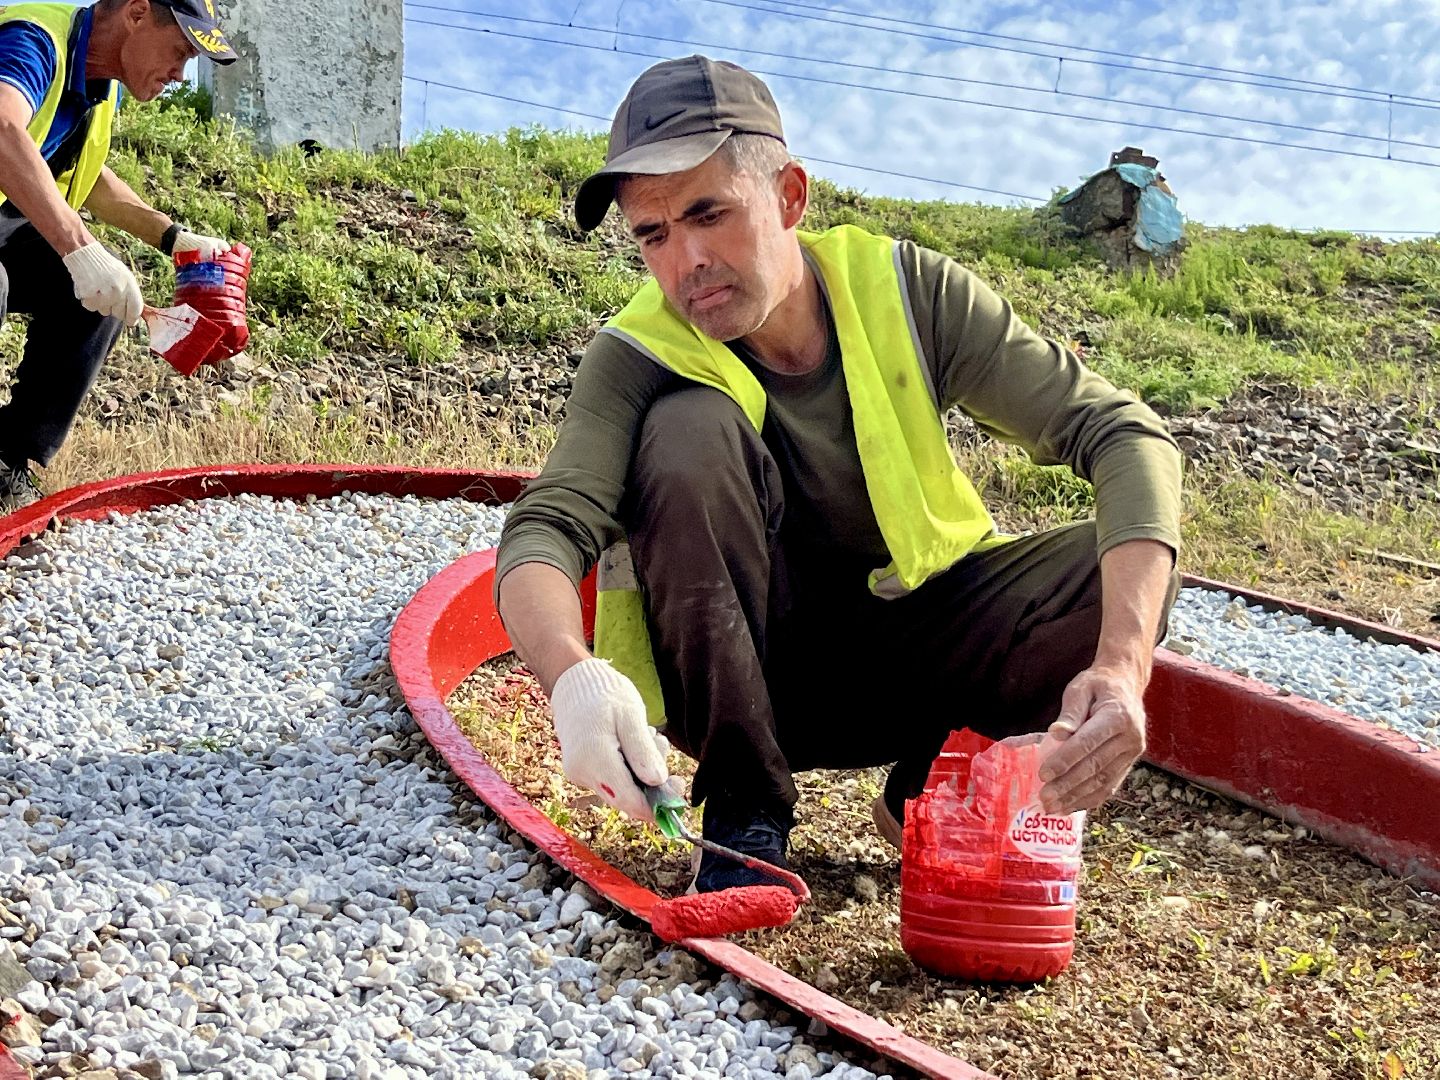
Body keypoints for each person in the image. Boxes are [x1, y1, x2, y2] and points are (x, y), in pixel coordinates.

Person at [496, 56, 1183, 894]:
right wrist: (574, 675)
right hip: (748, 673)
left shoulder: (906, 290)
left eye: (710, 213)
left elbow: (1124, 436)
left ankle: (932, 785)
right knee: (685, 430)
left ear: (789, 196)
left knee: (1111, 566)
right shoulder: (638, 353)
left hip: (912, 655)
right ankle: (746, 808)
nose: (686, 264)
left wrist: (1120, 669)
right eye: (654, 235)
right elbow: (547, 524)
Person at [0, 0, 238, 511]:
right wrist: (79, 248)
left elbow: (91, 177)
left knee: (92, 302)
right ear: (136, 13)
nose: (180, 74)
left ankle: (4, 465)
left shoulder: (99, 90)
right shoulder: (35, 39)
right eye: (179, 51)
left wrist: (173, 238)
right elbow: (2, 131)